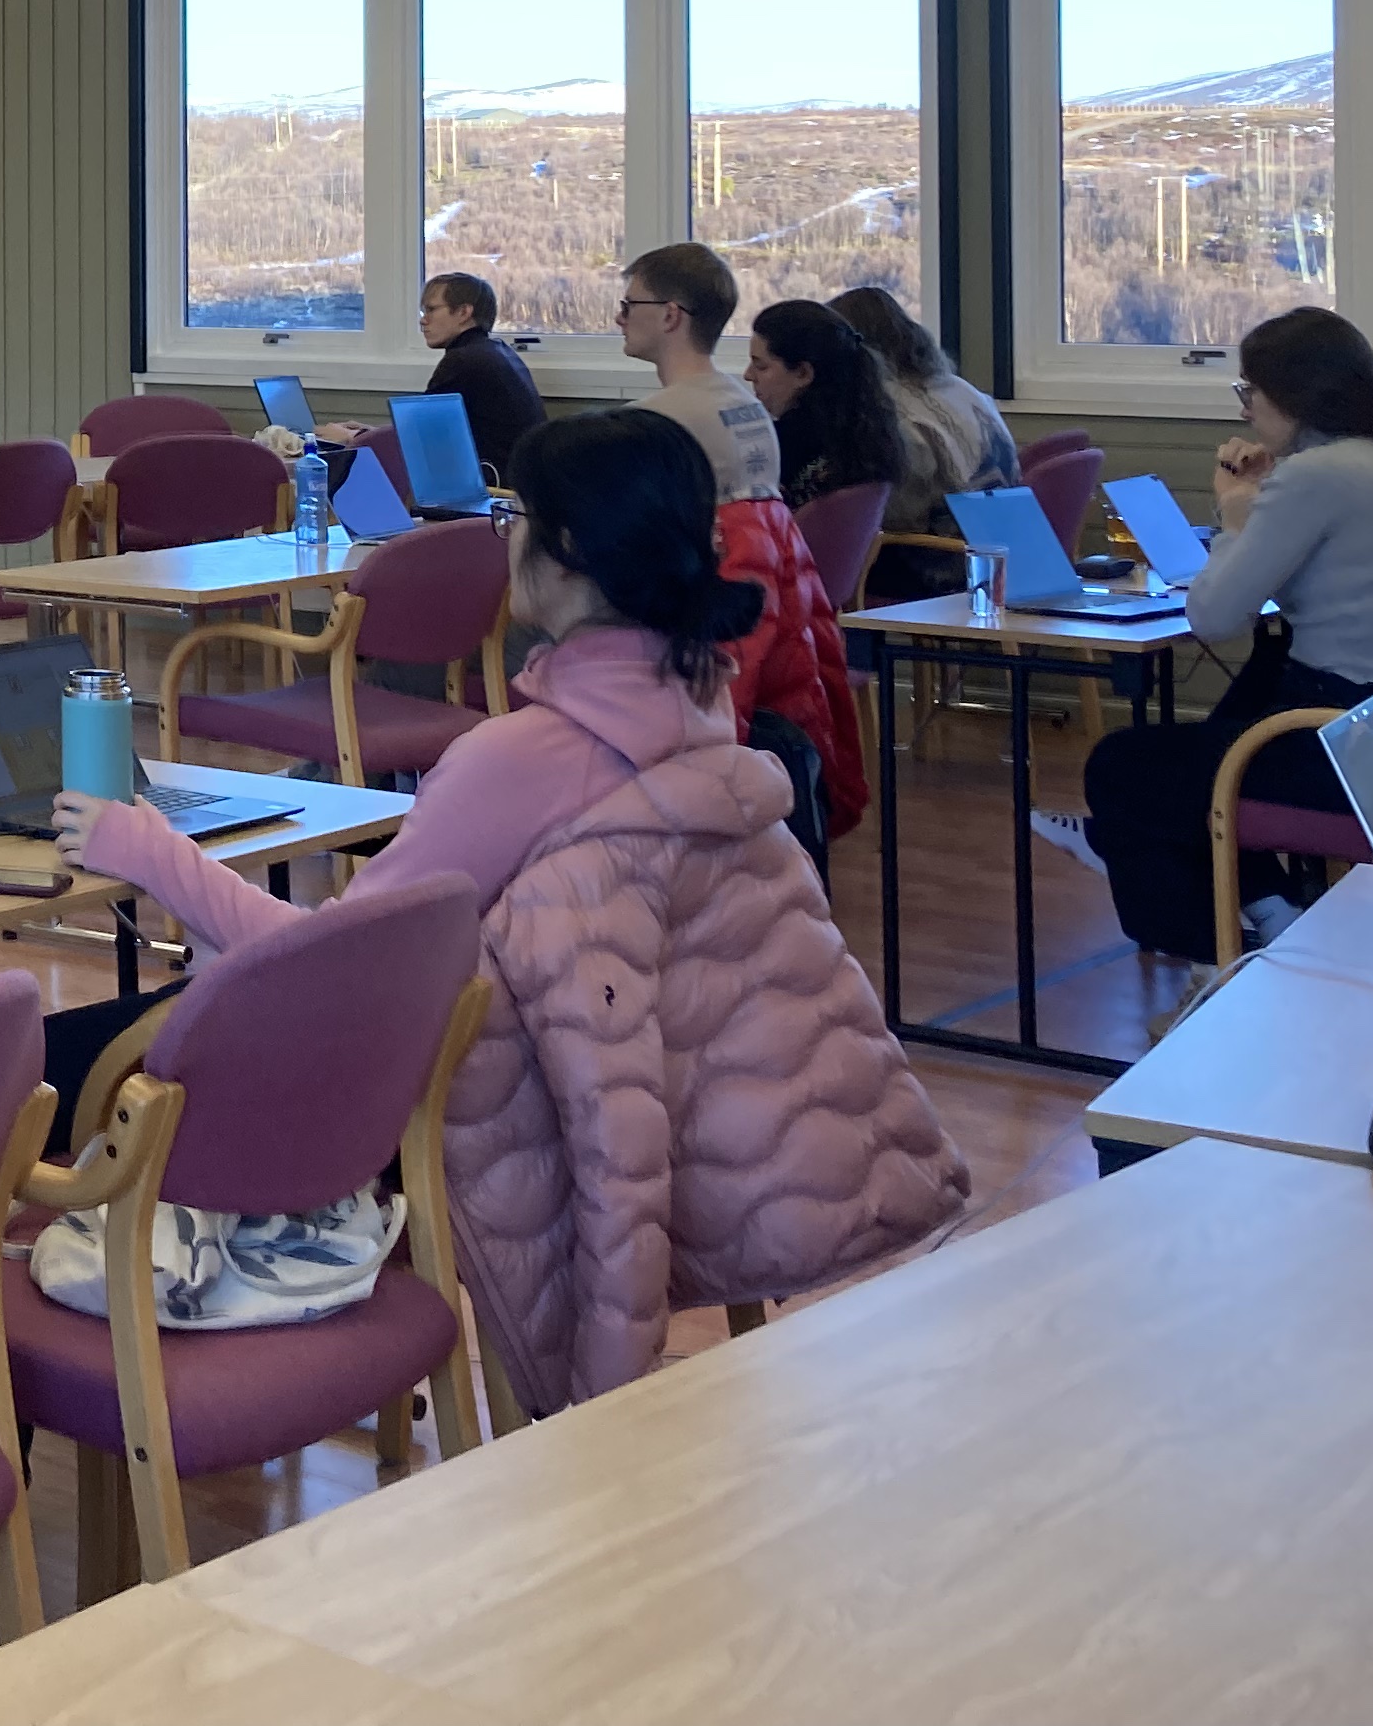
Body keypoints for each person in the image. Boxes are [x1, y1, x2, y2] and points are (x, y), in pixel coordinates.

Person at [56, 409, 958, 1414]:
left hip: (473, 1117)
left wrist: (139, 846)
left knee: (66, 1065)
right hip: (672, 1106)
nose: (505, 532)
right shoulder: (699, 706)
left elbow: (322, 965)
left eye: (519, 513)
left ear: (566, 559)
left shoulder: (519, 762)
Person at [1056, 307, 1373, 958]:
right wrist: (1262, 498)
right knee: (1209, 741)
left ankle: (1220, 954)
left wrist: (1234, 514)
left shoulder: (1317, 477)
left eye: (1250, 391)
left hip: (1337, 739)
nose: (1246, 409)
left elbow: (1213, 617)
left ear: (1296, 396)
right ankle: (1273, 907)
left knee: (1124, 771)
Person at [830, 287, 1019, 548]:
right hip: (1005, 539)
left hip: (944, 559)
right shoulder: (963, 390)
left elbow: (901, 517)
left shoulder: (891, 412)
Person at [614, 243, 780, 504]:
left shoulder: (647, 422)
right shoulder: (752, 408)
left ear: (670, 315)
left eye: (629, 305)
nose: (619, 318)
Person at [743, 299, 909, 512]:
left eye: (761, 366)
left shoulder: (775, 448)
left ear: (803, 373)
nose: (748, 375)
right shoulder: (871, 438)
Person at [417, 271, 547, 474]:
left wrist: (362, 436)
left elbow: (418, 438)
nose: (423, 320)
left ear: (463, 313)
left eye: (431, 310)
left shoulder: (462, 360)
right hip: (527, 481)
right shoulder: (497, 351)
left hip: (499, 489)